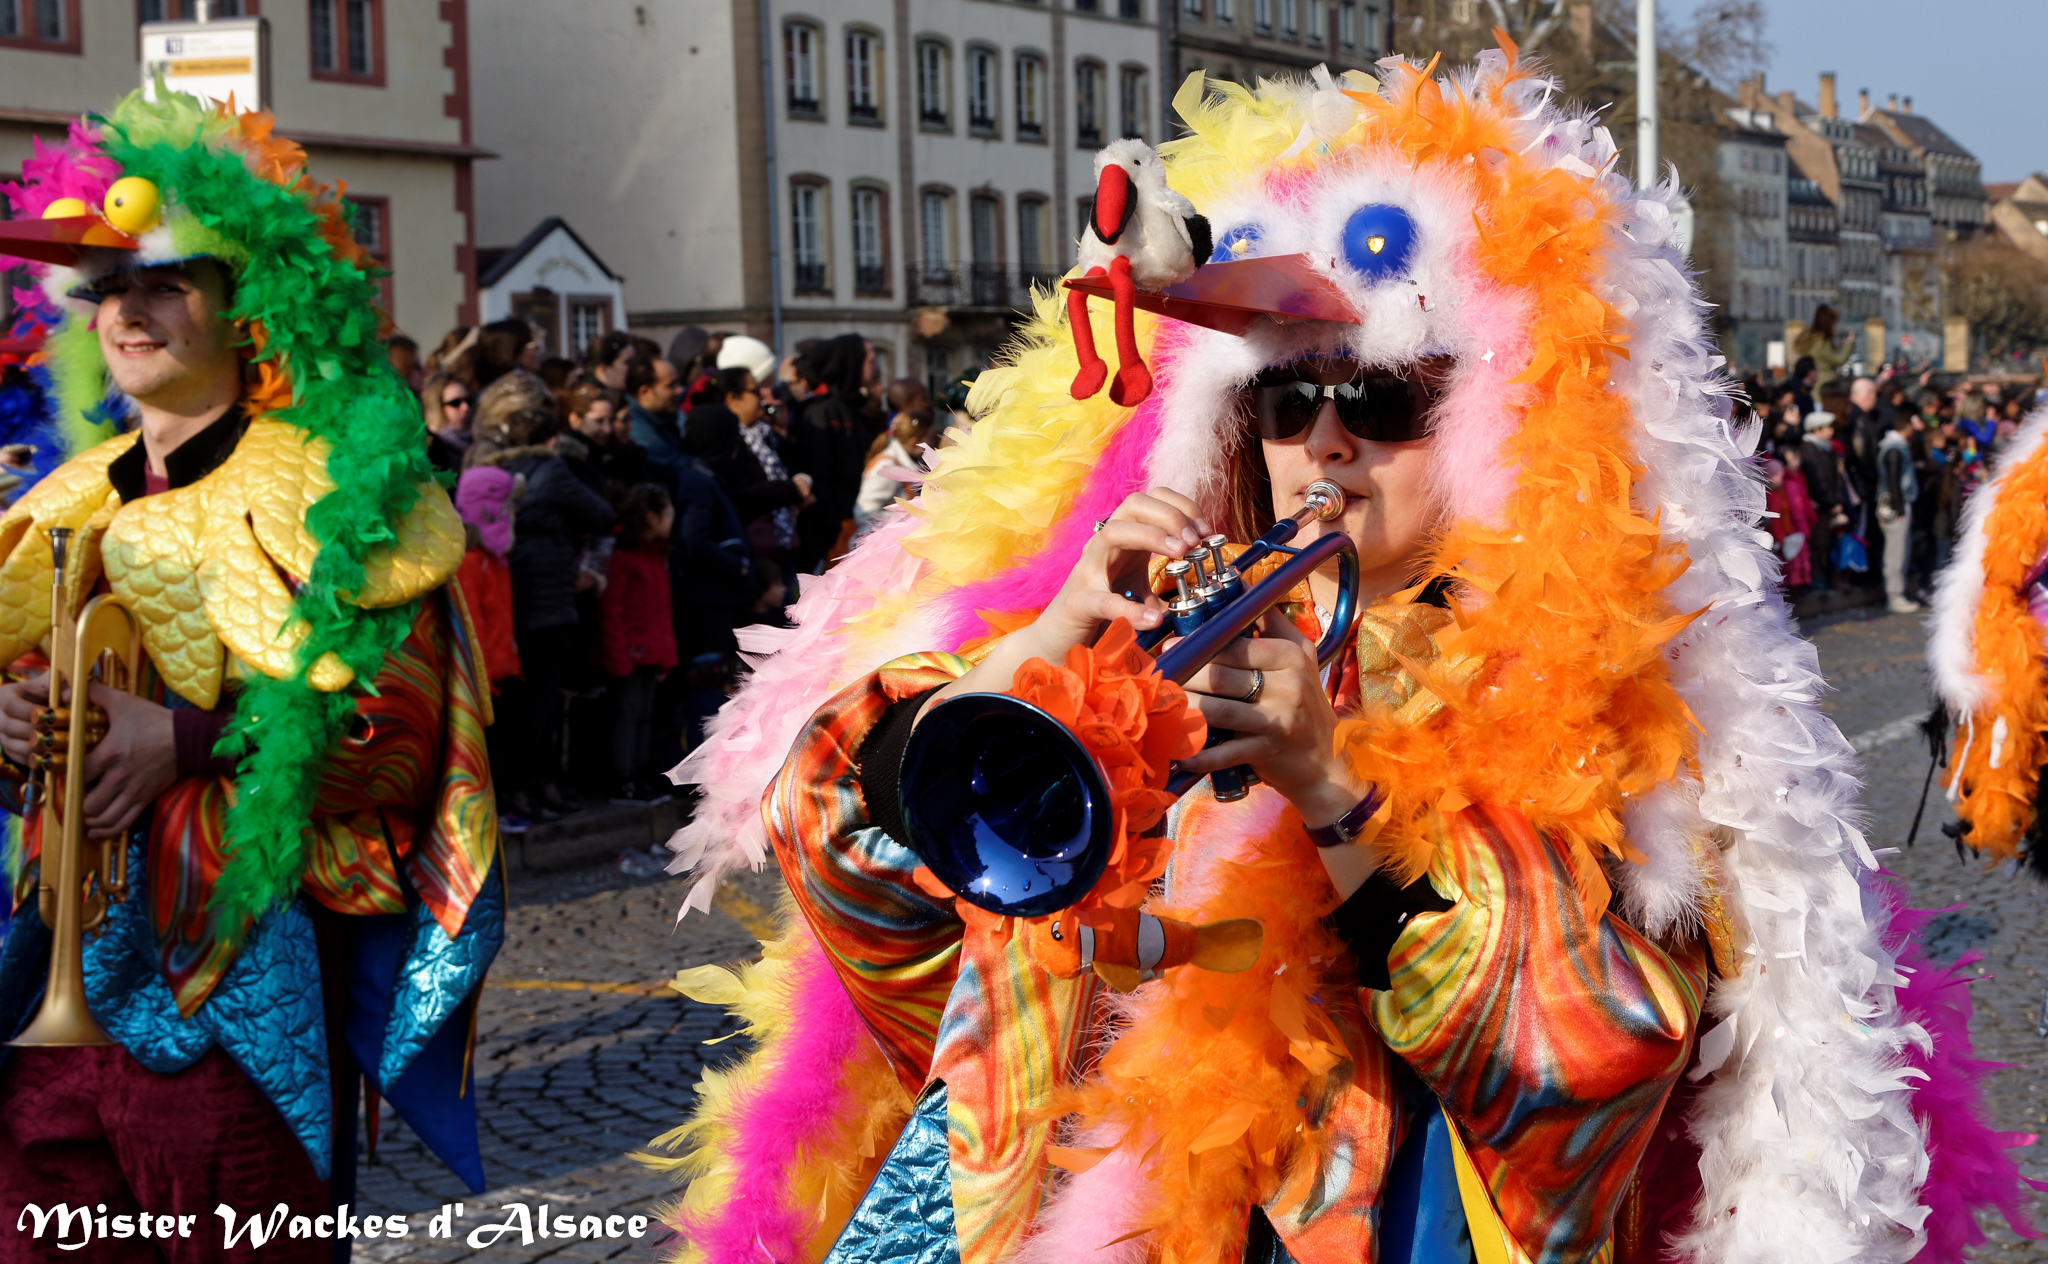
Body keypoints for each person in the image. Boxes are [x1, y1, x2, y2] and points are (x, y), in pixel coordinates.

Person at [652, 53, 2014, 1262]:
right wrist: (1054, 634)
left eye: (1381, 397)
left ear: (1499, 421)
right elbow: (845, 851)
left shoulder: (1581, 688)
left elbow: (1596, 1057)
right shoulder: (1168, 626)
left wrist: (1338, 799)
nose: (1326, 440)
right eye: (1284, 394)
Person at [0, 90, 498, 1243]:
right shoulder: (57, 504)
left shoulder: (336, 499)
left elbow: (402, 740)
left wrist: (179, 740)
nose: (129, 309)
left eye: (166, 281)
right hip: (46, 996)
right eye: (109, 287)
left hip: (237, 988)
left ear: (246, 307)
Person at [477, 407, 614, 821]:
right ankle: (534, 785)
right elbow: (603, 514)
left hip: (507, 588)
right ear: (550, 439)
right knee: (544, 697)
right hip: (548, 592)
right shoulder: (553, 472)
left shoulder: (493, 470)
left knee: (515, 699)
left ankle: (517, 787)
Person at [454, 464, 527, 830]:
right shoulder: (470, 563)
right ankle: (487, 814)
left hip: (503, 670)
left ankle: (501, 807)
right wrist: (484, 675)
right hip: (486, 677)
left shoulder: (495, 560)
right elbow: (473, 628)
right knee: (487, 748)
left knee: (503, 745)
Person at [601, 483, 678, 805]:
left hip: (650, 651)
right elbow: (612, 610)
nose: (673, 518)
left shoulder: (655, 555)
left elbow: (661, 610)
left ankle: (640, 773)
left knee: (644, 714)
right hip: (631, 654)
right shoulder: (625, 558)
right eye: (667, 512)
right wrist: (618, 656)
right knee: (629, 714)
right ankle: (623, 777)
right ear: (651, 517)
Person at [788, 333, 872, 571]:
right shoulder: (819, 411)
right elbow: (819, 476)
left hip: (862, 525)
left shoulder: (861, 413)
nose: (875, 367)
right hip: (833, 536)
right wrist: (842, 522)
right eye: (870, 359)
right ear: (852, 363)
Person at [853, 381, 935, 531]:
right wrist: (909, 519)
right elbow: (863, 513)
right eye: (929, 438)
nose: (932, 443)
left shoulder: (908, 461)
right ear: (914, 441)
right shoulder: (887, 467)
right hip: (880, 547)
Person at [1877, 411, 1920, 613]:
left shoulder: (1893, 447)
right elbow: (1893, 481)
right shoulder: (1894, 449)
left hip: (1896, 505)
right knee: (1896, 553)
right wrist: (1900, 509)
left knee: (1900, 550)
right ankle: (1894, 595)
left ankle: (1897, 593)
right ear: (1908, 426)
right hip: (1895, 506)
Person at [1801, 410, 1847, 589]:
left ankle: (1824, 578)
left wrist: (1836, 500)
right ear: (1816, 430)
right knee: (1819, 543)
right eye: (1827, 427)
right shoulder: (1810, 449)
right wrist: (1831, 502)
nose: (1831, 431)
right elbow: (1816, 479)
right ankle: (1817, 580)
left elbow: (1834, 478)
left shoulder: (1826, 448)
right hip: (1819, 506)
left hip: (1828, 505)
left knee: (1826, 542)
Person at [1766, 450, 1817, 591]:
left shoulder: (1780, 490)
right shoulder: (1774, 494)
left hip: (1785, 532)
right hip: (1779, 536)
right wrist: (1781, 537)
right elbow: (1776, 518)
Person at [423, 368, 475, 472]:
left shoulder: (475, 439)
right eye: (455, 403)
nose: (465, 407)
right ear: (437, 407)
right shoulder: (430, 448)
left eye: (467, 400)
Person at [1794, 303, 1852, 384]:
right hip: (1824, 384)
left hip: (1813, 380)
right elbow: (1839, 360)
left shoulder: (1811, 339)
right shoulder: (1820, 343)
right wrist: (1849, 343)